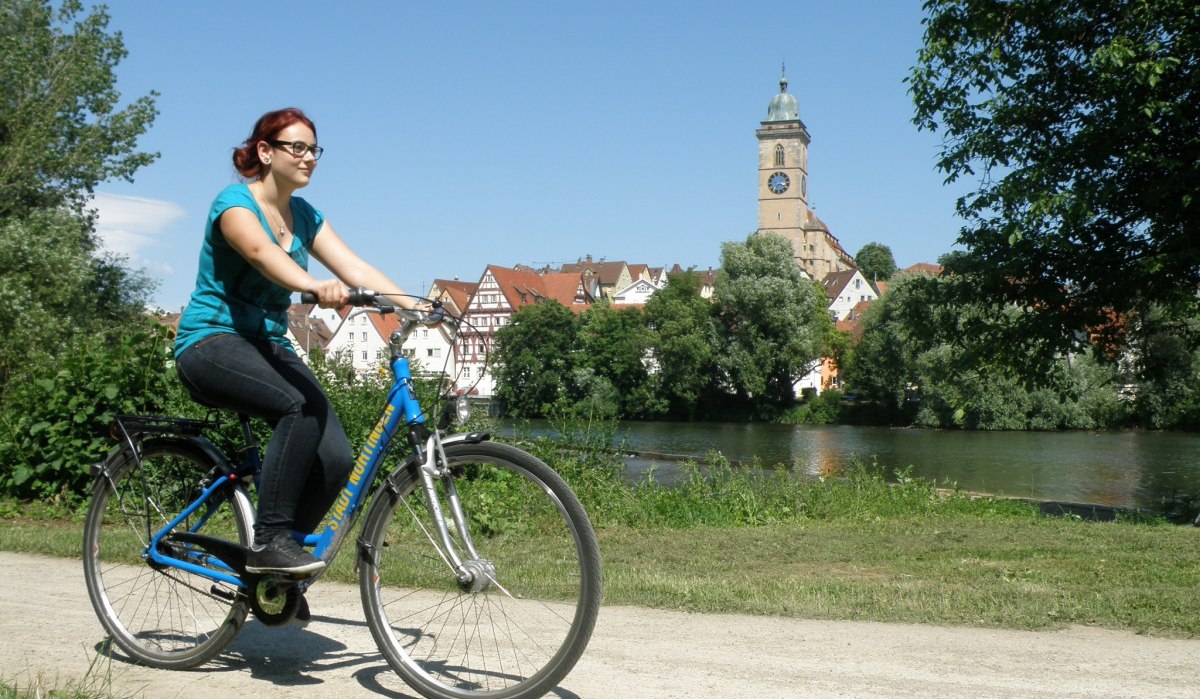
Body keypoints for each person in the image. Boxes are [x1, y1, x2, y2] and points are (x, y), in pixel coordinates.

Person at [174, 107, 421, 576]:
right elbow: (262, 254)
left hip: (266, 344)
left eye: (314, 149)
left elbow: (356, 268)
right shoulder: (235, 205)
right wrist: (312, 285)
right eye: (298, 147)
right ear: (265, 152)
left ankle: (279, 569)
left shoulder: (304, 215)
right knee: (297, 406)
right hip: (210, 342)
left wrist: (417, 305)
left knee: (335, 458)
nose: (309, 157)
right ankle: (269, 541)